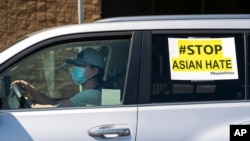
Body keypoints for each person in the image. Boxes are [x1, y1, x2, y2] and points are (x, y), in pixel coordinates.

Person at [11, 48, 105, 107]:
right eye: (75, 64)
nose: (75, 68)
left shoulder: (91, 95)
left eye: (80, 65)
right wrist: (30, 89)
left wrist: (26, 102)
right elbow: (52, 102)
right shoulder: (90, 93)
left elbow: (53, 108)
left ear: (94, 71)